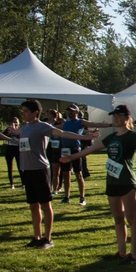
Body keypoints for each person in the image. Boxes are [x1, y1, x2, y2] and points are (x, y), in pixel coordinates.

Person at [60, 104, 136, 264]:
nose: (116, 118)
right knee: (118, 218)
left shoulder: (132, 136)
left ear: (127, 117)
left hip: (127, 182)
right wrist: (72, 158)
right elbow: (91, 149)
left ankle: (133, 256)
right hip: (112, 182)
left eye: (119, 115)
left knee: (132, 219)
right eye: (114, 116)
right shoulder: (111, 138)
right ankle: (121, 253)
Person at [18, 99, 97, 249]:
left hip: (39, 170)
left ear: (36, 112)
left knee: (45, 205)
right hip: (27, 170)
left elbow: (62, 133)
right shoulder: (26, 127)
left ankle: (48, 239)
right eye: (23, 111)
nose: (24, 114)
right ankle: (36, 237)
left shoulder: (42, 126)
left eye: (26, 111)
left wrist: (85, 137)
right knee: (33, 206)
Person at [58, 104, 112, 207]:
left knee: (78, 174)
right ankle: (66, 197)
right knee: (65, 174)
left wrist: (109, 125)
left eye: (72, 111)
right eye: (69, 111)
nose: (70, 113)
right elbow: (53, 128)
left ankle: (82, 197)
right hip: (65, 150)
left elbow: (93, 123)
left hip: (75, 150)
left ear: (77, 112)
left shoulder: (80, 122)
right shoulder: (65, 123)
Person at [2, 116, 22, 189]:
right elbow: (1, 135)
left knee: (20, 167)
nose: (15, 123)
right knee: (10, 167)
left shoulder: (20, 130)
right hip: (10, 149)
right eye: (14, 121)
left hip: (18, 149)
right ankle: (12, 184)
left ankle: (23, 184)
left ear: (18, 123)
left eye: (16, 122)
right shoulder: (8, 129)